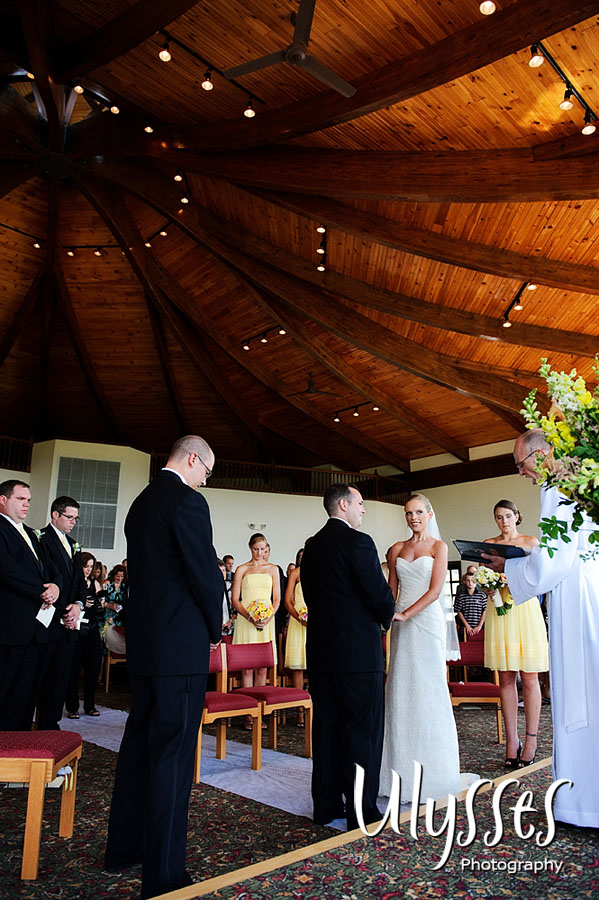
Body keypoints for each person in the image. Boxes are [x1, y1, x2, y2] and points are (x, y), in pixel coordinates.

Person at [104, 435, 223, 899]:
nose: (204, 481)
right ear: (193, 459)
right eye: (206, 472)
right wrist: (214, 626)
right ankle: (165, 876)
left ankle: (124, 849)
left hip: (147, 645)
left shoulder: (142, 502)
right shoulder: (188, 501)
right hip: (180, 646)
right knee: (172, 757)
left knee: (138, 746)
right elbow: (204, 573)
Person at [484, 429, 599, 828]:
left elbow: (552, 561)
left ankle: (582, 801)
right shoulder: (585, 478)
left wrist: (510, 566)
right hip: (591, 587)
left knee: (580, 692)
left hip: (576, 596)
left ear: (542, 453)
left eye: (521, 464)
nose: (522, 473)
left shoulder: (558, 486)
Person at [301, 484, 394, 830]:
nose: (363, 510)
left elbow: (311, 595)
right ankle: (361, 811)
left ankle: (326, 806)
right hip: (357, 653)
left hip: (321, 652)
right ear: (343, 505)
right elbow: (378, 594)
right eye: (360, 503)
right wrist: (386, 616)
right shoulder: (359, 542)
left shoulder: (311, 546)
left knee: (327, 728)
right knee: (362, 731)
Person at [381, 493, 464, 801]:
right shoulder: (396, 549)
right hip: (400, 625)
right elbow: (391, 589)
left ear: (429, 514)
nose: (413, 517)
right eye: (408, 513)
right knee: (401, 687)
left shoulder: (438, 547)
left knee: (429, 687)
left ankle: (435, 771)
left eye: (418, 512)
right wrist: (386, 614)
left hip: (426, 622)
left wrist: (406, 614)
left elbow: (435, 590)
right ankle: (397, 771)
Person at [483, 499, 548, 769]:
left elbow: (539, 577)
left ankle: (531, 739)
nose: (504, 521)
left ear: (517, 516)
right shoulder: (488, 543)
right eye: (499, 517)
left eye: (508, 516)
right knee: (506, 678)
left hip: (525, 608)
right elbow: (483, 574)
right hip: (500, 609)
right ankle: (512, 740)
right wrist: (486, 585)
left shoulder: (530, 541)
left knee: (530, 677)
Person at [0, 480, 61, 730]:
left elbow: (51, 567)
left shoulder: (31, 533)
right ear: (3, 500)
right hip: (9, 628)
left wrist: (55, 586)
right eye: (20, 499)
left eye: (28, 500)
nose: (26, 504)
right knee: (4, 691)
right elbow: (6, 568)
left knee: (25, 695)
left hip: (34, 630)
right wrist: (41, 591)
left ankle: (21, 744)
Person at [34, 496, 85, 729]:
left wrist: (78, 605)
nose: (73, 522)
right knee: (40, 677)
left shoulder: (74, 545)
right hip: (49, 619)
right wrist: (65, 609)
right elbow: (48, 576)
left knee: (60, 678)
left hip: (69, 620)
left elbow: (80, 581)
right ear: (55, 515)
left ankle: (50, 725)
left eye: (76, 518)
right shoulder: (41, 539)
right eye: (69, 517)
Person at [231, 533, 280, 693]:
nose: (259, 553)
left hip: (266, 619)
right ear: (250, 548)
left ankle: (260, 704)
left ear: (266, 548)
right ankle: (248, 705)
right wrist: (249, 617)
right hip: (246, 619)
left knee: (262, 667)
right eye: (256, 549)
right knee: (246, 667)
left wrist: (268, 617)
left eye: (262, 549)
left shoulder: (273, 569)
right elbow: (235, 599)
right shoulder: (242, 569)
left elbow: (276, 599)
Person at [66, 552, 103, 718]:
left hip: (92, 628)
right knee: (72, 669)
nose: (88, 569)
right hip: (76, 629)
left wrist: (97, 604)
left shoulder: (95, 583)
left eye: (91, 566)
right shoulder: (73, 582)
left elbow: (100, 609)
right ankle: (72, 707)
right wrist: (80, 604)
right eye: (85, 566)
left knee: (93, 668)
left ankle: (90, 705)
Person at [283, 547, 307, 726]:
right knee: (298, 666)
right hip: (298, 621)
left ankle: (315, 707)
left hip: (317, 622)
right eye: (301, 557)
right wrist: (299, 617)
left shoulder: (321, 571)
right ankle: (299, 711)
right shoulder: (295, 574)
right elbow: (287, 601)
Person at [454, 572, 487, 637]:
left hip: (480, 628)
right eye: (468, 580)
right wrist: (467, 626)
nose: (470, 583)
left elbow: (485, 611)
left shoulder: (482, 595)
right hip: (465, 628)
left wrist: (479, 625)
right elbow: (459, 611)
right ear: (464, 582)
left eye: (472, 580)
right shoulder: (461, 596)